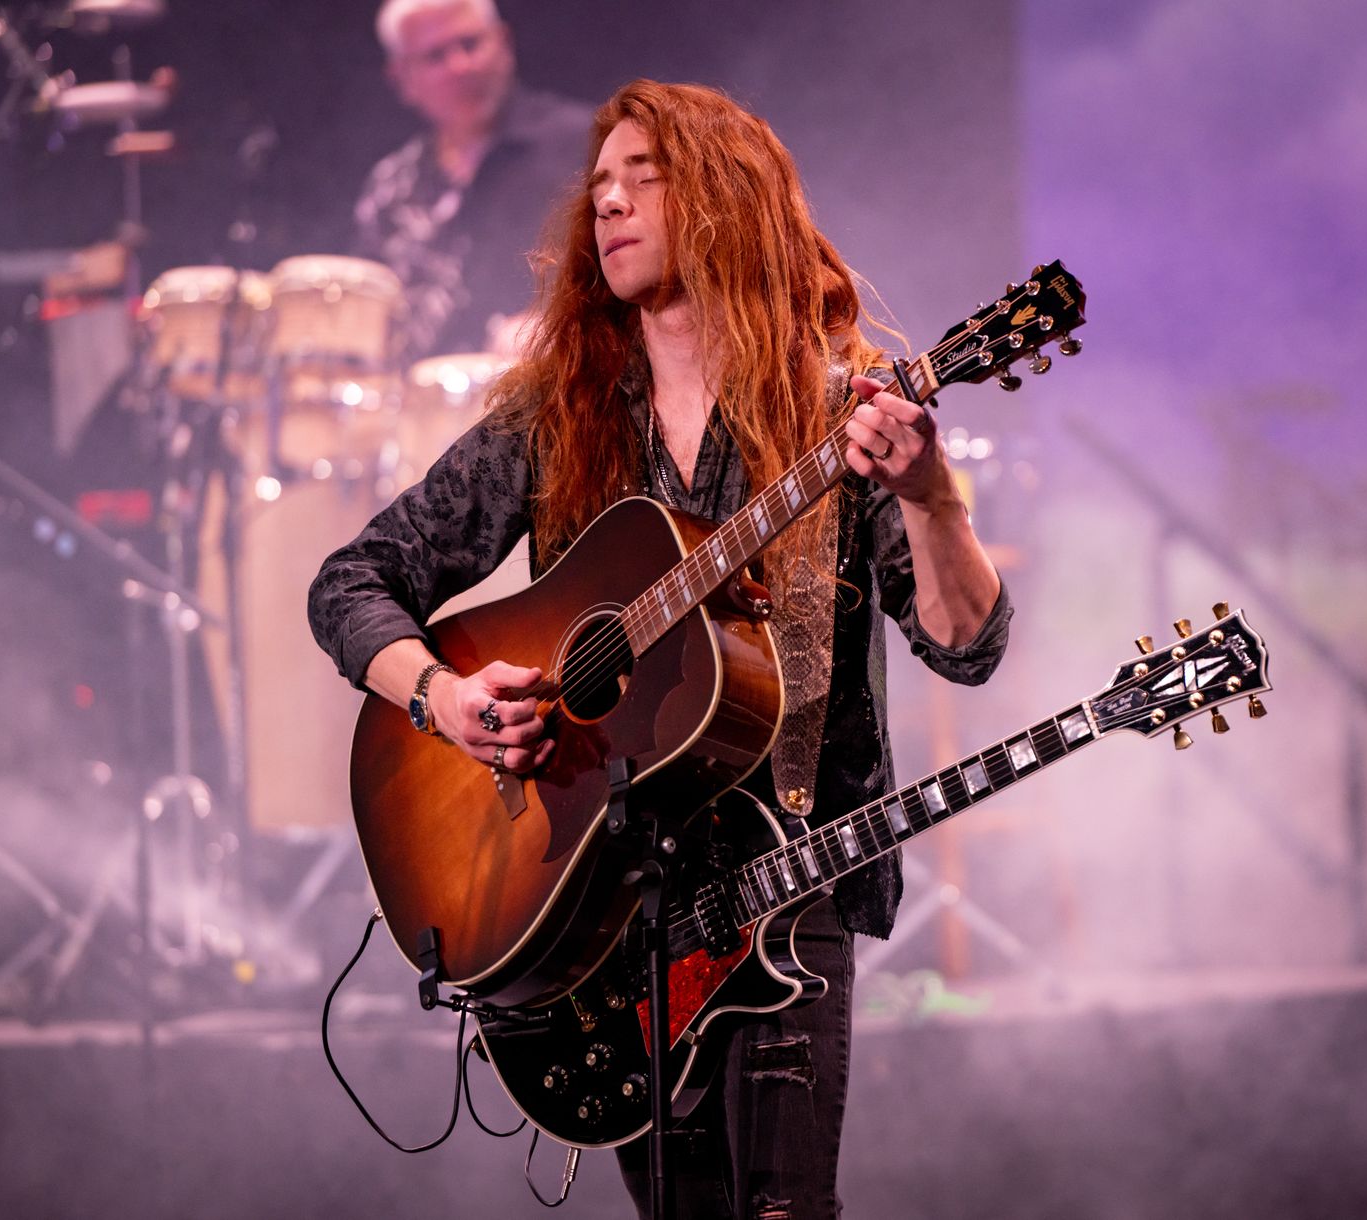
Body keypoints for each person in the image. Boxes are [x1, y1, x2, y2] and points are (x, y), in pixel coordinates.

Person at [310, 80, 1012, 1218]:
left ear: (729, 200)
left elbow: (965, 648)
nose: (609, 204)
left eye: (647, 178)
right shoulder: (558, 420)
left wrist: (932, 497)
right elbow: (350, 582)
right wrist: (441, 696)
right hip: (607, 911)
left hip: (785, 889)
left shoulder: (840, 419)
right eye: (600, 185)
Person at [356, 0, 591, 357]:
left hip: (551, 384)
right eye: (435, 56)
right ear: (402, 79)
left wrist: (560, 325)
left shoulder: (588, 146)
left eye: (470, 44)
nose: (460, 66)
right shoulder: (393, 186)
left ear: (504, 43)